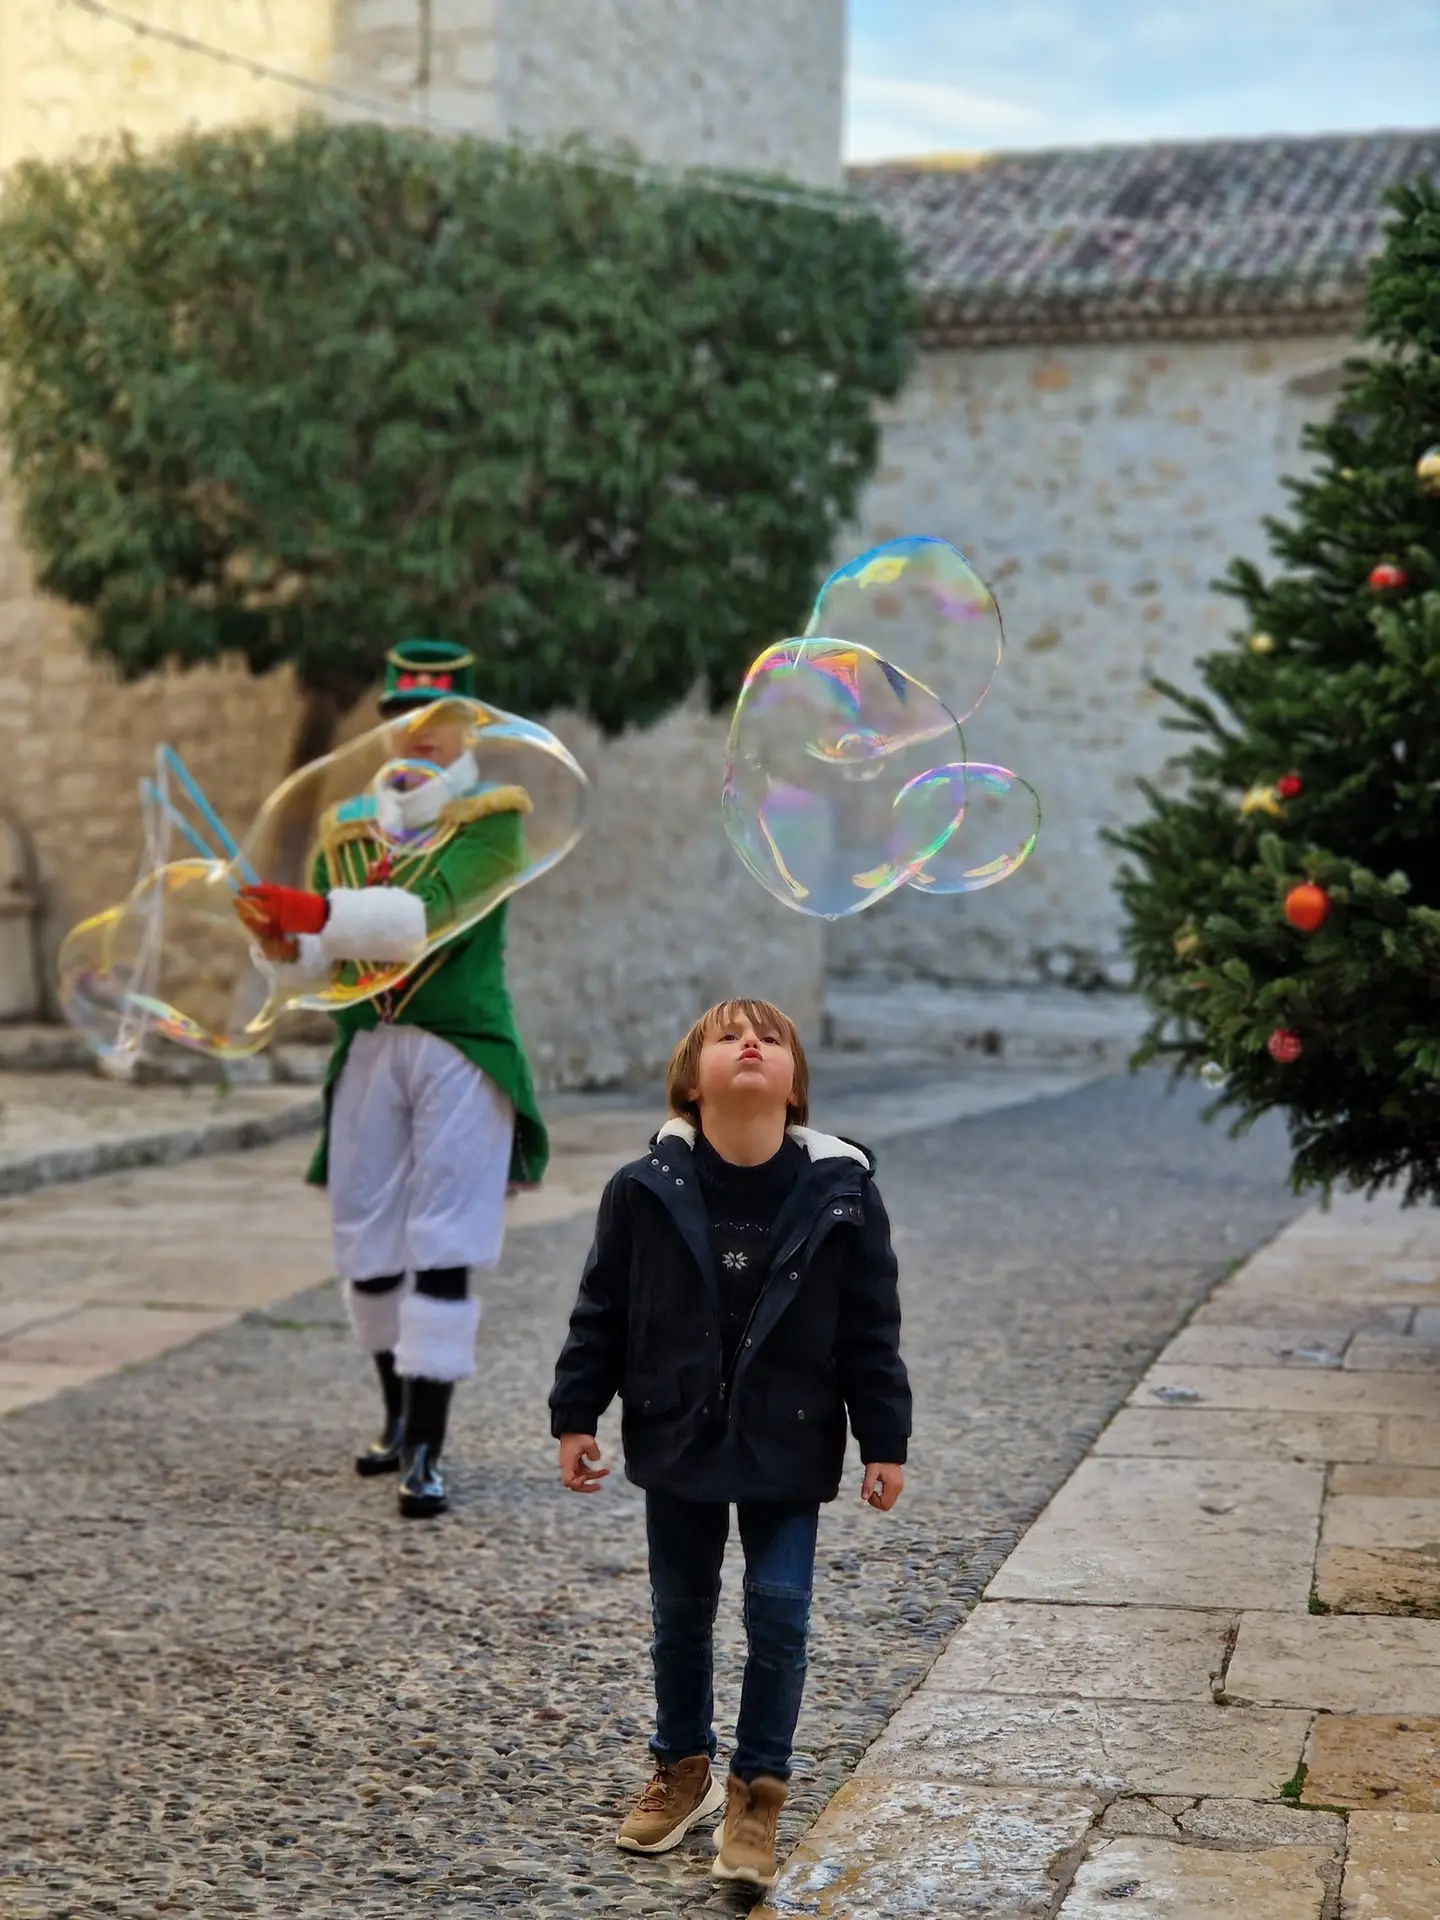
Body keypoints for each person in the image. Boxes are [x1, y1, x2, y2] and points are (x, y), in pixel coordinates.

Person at [548, 998, 910, 1891]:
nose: (752, 1042)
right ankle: (684, 1767)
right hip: (679, 1432)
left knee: (779, 1612)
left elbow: (872, 1328)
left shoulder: (844, 1194)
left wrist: (884, 1438)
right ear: (689, 1080)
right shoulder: (642, 1189)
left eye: (772, 1037)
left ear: (795, 1087)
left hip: (791, 1436)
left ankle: (757, 1792)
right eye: (728, 1035)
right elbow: (603, 1310)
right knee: (681, 1612)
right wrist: (575, 1414)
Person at [236, 638, 548, 1520]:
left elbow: (423, 919)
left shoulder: (492, 820)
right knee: (365, 1242)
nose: (421, 736)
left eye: (439, 721)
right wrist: (282, 944)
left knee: (443, 1240)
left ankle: (427, 1449)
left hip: (457, 1045)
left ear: (467, 725)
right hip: (369, 1047)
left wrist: (318, 916)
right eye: (402, 720)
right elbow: (329, 966)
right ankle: (393, 1415)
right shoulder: (346, 831)